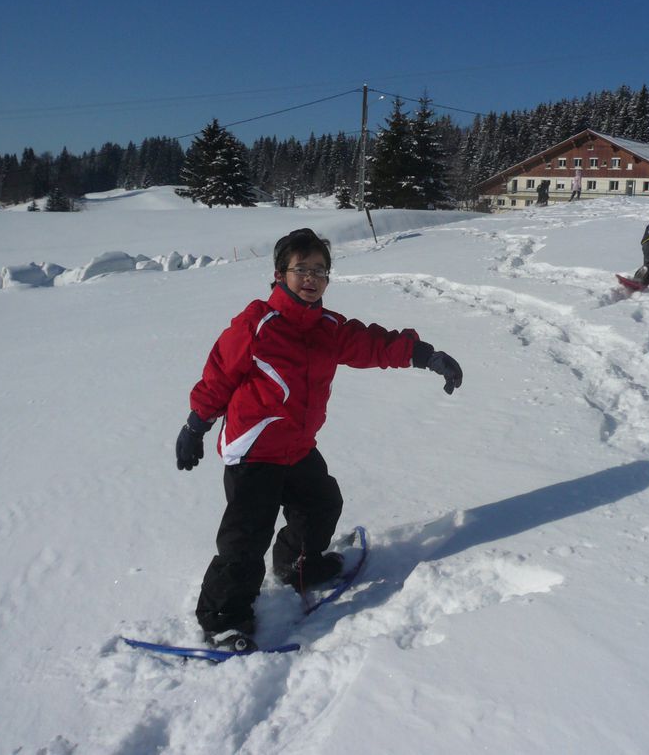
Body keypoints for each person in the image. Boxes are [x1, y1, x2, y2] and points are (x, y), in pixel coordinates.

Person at [175, 228, 463, 652]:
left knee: (322, 504)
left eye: (320, 271)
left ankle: (296, 566)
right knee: (245, 537)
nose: (311, 278)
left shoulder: (327, 327)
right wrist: (195, 425)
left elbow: (372, 345)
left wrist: (426, 356)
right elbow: (219, 377)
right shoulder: (256, 325)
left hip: (298, 446)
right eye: (301, 269)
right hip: (254, 450)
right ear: (279, 274)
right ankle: (223, 619)